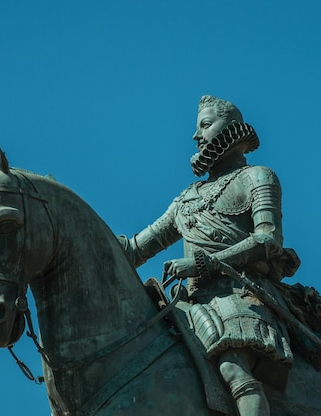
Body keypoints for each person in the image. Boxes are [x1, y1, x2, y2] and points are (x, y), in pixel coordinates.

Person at [118, 95, 299, 416]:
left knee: (233, 368)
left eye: (205, 125)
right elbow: (132, 250)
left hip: (243, 296)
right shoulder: (187, 198)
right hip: (191, 306)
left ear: (231, 129)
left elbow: (267, 240)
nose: (195, 136)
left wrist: (203, 263)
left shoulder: (257, 177)